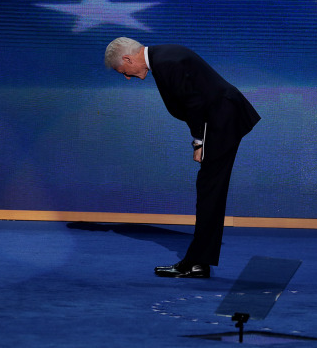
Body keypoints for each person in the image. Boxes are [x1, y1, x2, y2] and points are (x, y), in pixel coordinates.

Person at [104, 37, 260, 278]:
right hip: (220, 116)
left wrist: (199, 142)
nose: (126, 76)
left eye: (123, 71)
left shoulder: (165, 62)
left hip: (221, 119)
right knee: (209, 189)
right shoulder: (162, 56)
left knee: (210, 190)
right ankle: (199, 261)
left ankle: (196, 263)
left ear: (128, 59)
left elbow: (194, 104)